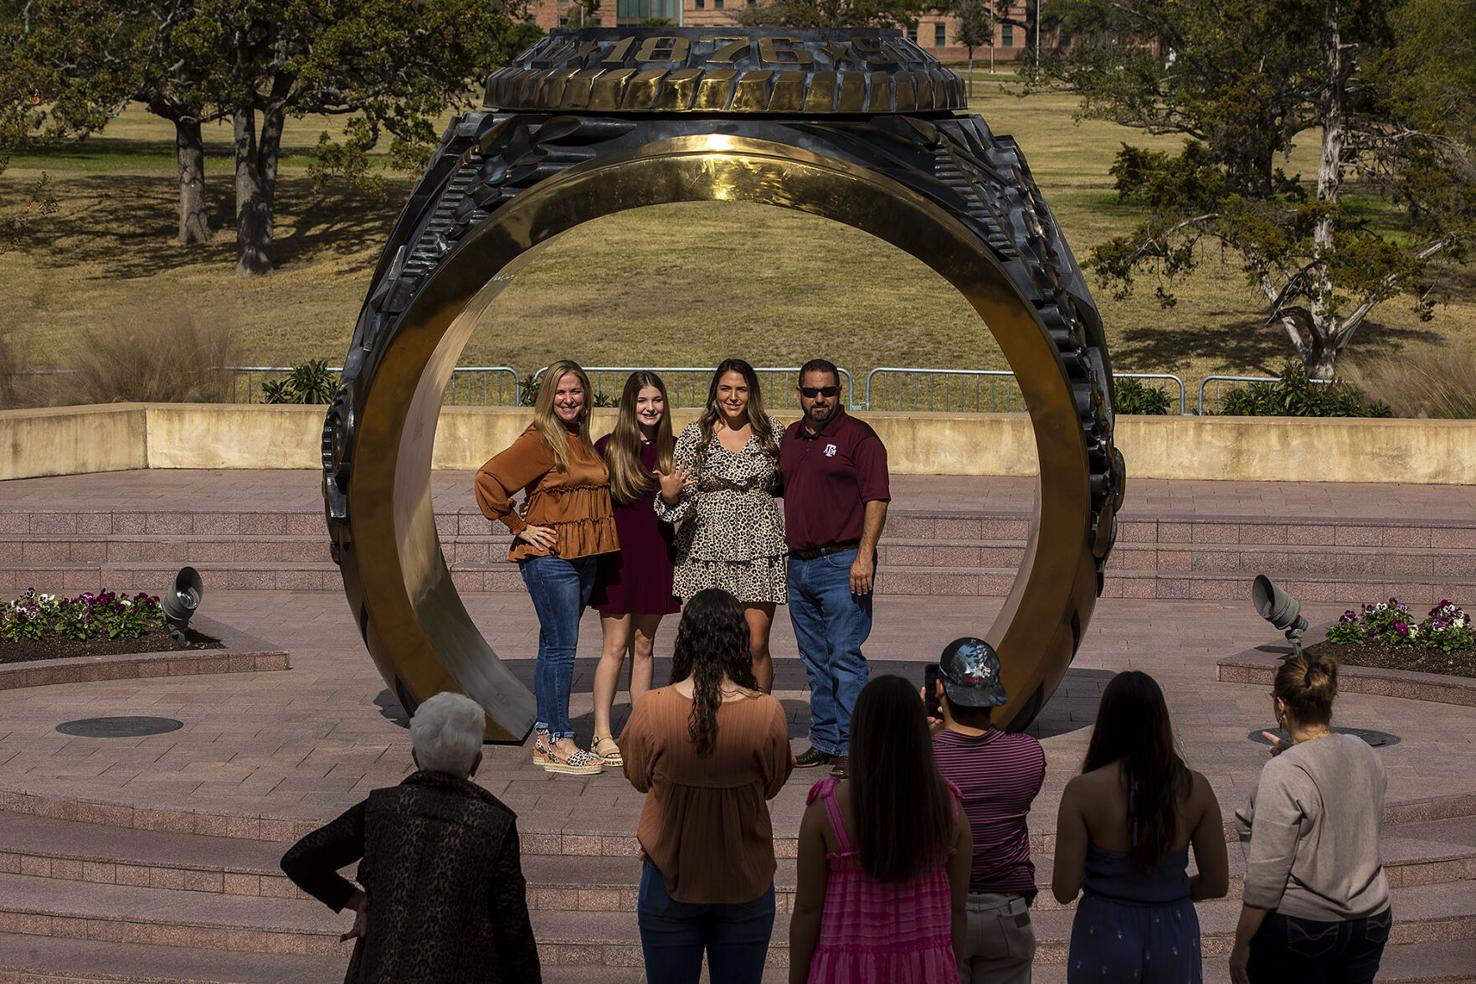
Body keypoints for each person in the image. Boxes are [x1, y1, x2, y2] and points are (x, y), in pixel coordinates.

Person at [280, 692, 540, 984]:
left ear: (415, 756)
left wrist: (358, 900)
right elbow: (513, 927)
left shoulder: (380, 810)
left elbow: (301, 860)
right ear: (476, 762)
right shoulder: (494, 825)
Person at [618, 587, 795, 984]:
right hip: (746, 880)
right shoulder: (767, 712)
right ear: (738, 640)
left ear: (686, 640)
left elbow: (636, 776)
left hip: (669, 877)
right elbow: (772, 783)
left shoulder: (651, 707)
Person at [475, 359, 618, 776]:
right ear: (547, 397)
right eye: (560, 392)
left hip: (584, 557)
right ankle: (559, 739)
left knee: (551, 647)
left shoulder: (579, 437)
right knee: (561, 650)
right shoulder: (541, 440)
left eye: (575, 391)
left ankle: (545, 734)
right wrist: (519, 527)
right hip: (553, 560)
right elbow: (488, 479)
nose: (569, 399)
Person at [790, 674, 972, 984]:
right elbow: (957, 909)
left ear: (860, 732)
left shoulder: (826, 807)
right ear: (920, 733)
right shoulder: (951, 809)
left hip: (844, 971)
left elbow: (808, 909)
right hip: (925, 970)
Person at [1052, 670, 1229, 984]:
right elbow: (1217, 883)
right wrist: (1168, 889)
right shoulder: (1195, 788)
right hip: (1173, 928)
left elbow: (1064, 890)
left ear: (1106, 722)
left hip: (1104, 930)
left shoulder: (1083, 791)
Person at [1229, 652, 1391, 984]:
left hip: (1303, 925)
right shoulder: (1365, 752)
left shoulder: (1283, 772)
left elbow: (1265, 880)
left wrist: (1241, 943)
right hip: (1370, 918)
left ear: (1280, 705)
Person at [780, 358, 890, 778]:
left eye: (827, 391)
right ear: (800, 395)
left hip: (843, 563)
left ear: (838, 394)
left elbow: (877, 498)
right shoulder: (791, 437)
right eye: (811, 392)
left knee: (844, 657)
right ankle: (825, 740)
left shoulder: (858, 438)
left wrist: (864, 556)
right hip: (801, 566)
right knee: (815, 660)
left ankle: (852, 746)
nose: (819, 399)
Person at [655, 358, 787, 693]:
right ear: (715, 390)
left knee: (755, 644)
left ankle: (758, 724)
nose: (733, 396)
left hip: (759, 546)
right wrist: (669, 497)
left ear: (751, 393)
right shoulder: (694, 436)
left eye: (741, 389)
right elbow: (678, 495)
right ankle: (707, 719)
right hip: (707, 547)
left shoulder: (773, 433)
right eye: (726, 388)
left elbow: (794, 483)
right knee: (708, 643)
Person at [928, 638, 1047, 984]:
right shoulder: (1027, 755)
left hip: (942, 910)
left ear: (940, 689)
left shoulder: (923, 759)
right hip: (1006, 913)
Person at [588, 371, 681, 766]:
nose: (650, 408)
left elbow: (681, 508)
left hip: (657, 556)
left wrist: (673, 495)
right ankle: (602, 733)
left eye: (657, 400)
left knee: (644, 646)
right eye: (643, 401)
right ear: (629, 405)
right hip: (617, 558)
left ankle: (639, 731)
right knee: (615, 645)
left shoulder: (673, 450)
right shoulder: (608, 448)